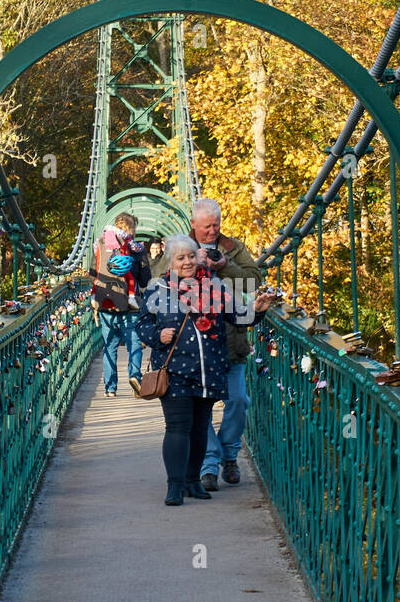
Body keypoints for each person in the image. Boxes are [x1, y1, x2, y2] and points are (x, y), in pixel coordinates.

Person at [138, 236, 275, 505]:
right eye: (180, 258)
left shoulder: (215, 286)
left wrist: (257, 310)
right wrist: (157, 335)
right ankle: (175, 486)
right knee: (178, 428)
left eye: (191, 256)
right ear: (170, 262)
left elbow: (237, 316)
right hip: (175, 370)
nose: (187, 262)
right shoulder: (159, 289)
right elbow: (142, 325)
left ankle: (192, 482)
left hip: (208, 369)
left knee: (200, 428)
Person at [152, 197, 262, 489]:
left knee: (238, 400)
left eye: (216, 225)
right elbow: (154, 284)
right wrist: (187, 263)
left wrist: (226, 265)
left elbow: (252, 283)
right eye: (206, 226)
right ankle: (210, 464)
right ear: (194, 225)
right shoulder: (179, 248)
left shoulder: (233, 248)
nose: (212, 231)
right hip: (192, 352)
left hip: (231, 343)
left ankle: (229, 454)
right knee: (200, 412)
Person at [89, 212, 151, 397]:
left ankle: (110, 388)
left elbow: (93, 273)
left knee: (110, 347)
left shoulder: (100, 244)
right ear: (132, 229)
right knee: (134, 344)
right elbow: (146, 279)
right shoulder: (136, 248)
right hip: (130, 306)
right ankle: (135, 377)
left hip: (106, 304)